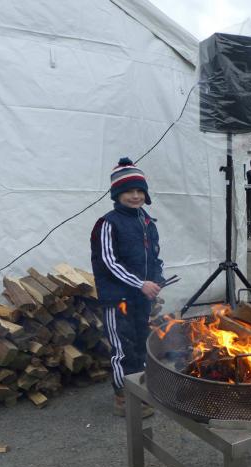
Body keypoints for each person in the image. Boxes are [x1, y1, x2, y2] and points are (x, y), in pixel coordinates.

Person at [90, 157, 166, 418]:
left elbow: (154, 257)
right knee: (122, 348)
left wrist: (157, 278)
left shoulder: (147, 221)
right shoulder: (107, 223)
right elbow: (109, 262)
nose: (135, 196)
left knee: (140, 345)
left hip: (140, 299)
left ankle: (140, 392)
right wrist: (140, 283)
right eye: (128, 191)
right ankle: (123, 398)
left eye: (139, 191)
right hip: (117, 299)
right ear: (117, 194)